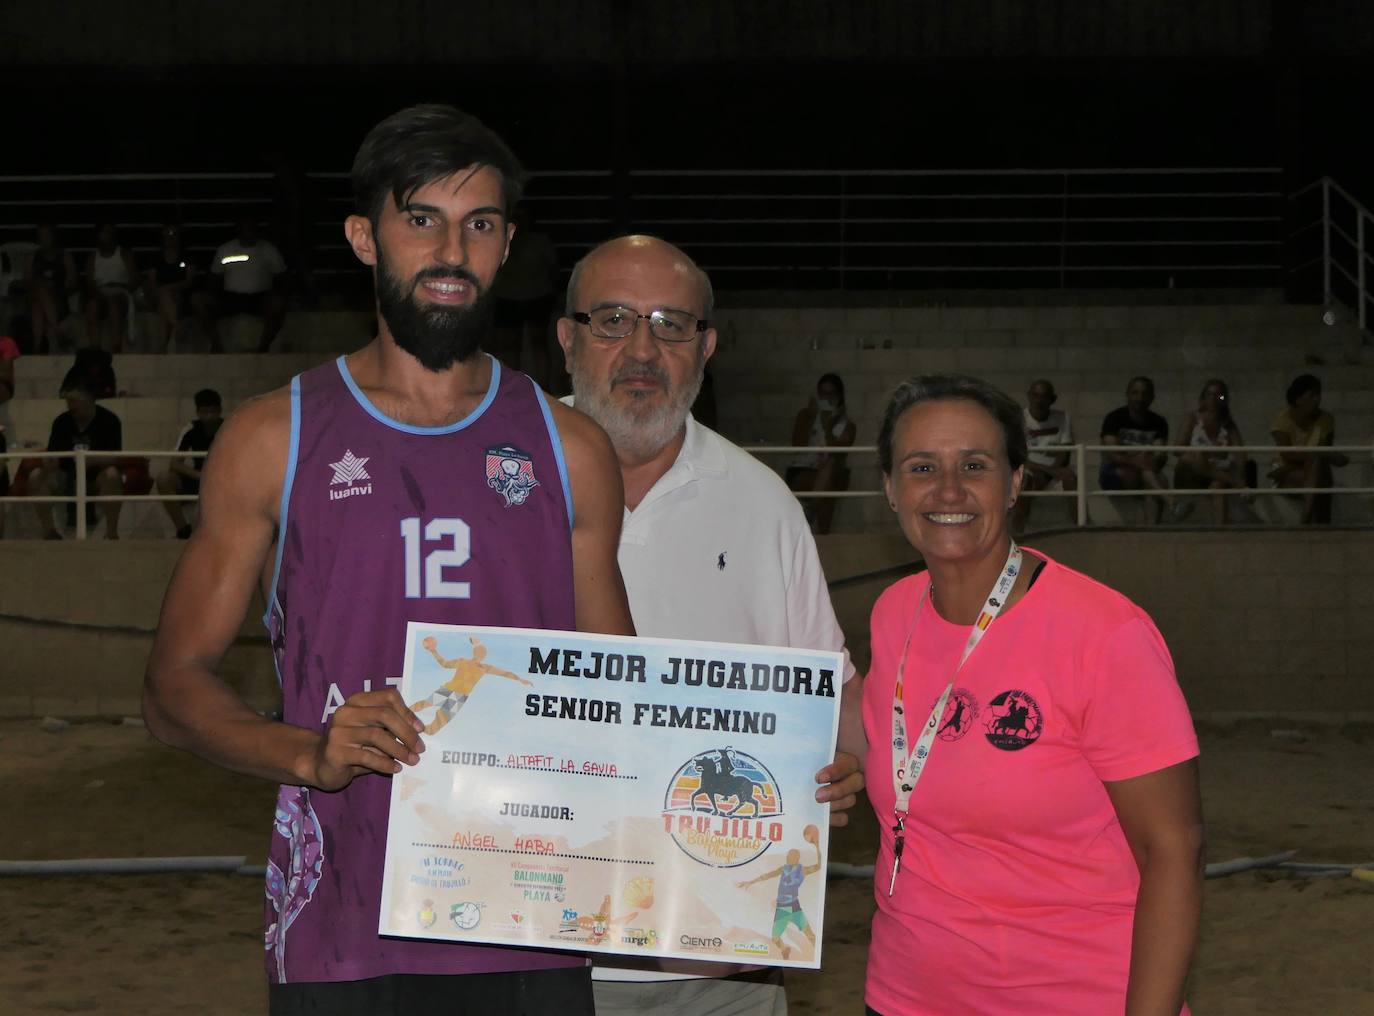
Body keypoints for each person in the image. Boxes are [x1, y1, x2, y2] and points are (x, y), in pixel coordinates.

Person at [142, 103, 633, 1016]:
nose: (453, 250)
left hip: (527, 915)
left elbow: (620, 697)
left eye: (479, 224)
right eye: (423, 220)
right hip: (339, 932)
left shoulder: (569, 449)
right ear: (365, 238)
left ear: (507, 244)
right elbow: (174, 688)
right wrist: (309, 752)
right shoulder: (272, 437)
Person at [557, 234, 864, 1016]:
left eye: (670, 324)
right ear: (566, 337)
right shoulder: (491, 479)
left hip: (721, 973)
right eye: (612, 319)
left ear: (707, 348)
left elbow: (833, 702)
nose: (641, 348)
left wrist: (840, 767)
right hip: (526, 960)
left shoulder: (764, 504)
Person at [862, 373, 1203, 1016]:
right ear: (889, 488)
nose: (948, 490)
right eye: (921, 466)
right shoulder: (891, 613)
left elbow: (1174, 850)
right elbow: (910, 746)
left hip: (1074, 997)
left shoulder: (1105, 633)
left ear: (1016, 481)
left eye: (975, 465)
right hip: (905, 993)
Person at [23, 378, 125, 540]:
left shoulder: (109, 420)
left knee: (112, 475)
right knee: (36, 476)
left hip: (97, 476)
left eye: (73, 401)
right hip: (66, 475)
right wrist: (49, 462)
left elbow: (115, 458)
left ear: (89, 398)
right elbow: (53, 455)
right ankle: (49, 531)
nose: (70, 405)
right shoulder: (61, 422)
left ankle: (111, 532)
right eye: (67, 401)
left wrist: (91, 461)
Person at [1269, 373, 1348, 524]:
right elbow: (1288, 456)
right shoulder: (1281, 420)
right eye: (1312, 395)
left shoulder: (1326, 419)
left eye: (1319, 394)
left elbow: (1324, 448)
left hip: (1313, 467)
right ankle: (1315, 522)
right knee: (1318, 467)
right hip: (1287, 471)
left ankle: (1309, 520)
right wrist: (1317, 454)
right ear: (1298, 399)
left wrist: (1328, 456)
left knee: (1320, 468)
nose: (1317, 399)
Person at [785, 373, 857, 535]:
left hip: (832, 472)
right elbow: (798, 445)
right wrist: (811, 417)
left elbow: (839, 454)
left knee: (830, 471)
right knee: (827, 493)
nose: (827, 398)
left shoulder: (847, 425)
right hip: (803, 469)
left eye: (831, 394)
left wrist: (829, 427)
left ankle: (811, 512)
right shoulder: (806, 415)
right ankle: (823, 536)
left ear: (839, 397)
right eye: (823, 393)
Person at [734, 830, 823, 961]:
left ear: (796, 858)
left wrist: (817, 846)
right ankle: (785, 949)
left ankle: (818, 956)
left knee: (810, 935)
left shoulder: (802, 870)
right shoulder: (784, 868)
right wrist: (751, 882)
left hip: (793, 906)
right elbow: (768, 875)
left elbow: (818, 866)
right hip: (782, 908)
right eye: (788, 855)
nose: (788, 857)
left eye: (791, 855)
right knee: (775, 938)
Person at [1172, 378, 1250, 525]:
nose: (1214, 399)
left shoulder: (1228, 424)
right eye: (1210, 395)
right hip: (1192, 471)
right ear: (1203, 398)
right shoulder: (1192, 418)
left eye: (1219, 396)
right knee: (1198, 455)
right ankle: (1235, 483)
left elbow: (1240, 452)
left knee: (1218, 486)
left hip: (1218, 472)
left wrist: (1241, 473)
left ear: (1224, 400)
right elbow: (1177, 449)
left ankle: (1221, 527)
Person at [1099, 375, 1171, 524]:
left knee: (1157, 479)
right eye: (1135, 393)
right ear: (1127, 394)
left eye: (1145, 394)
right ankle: (1172, 501)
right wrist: (1139, 462)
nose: (1140, 398)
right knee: (1151, 478)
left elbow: (1160, 455)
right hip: (1114, 472)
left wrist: (1149, 462)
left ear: (1152, 397)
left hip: (1144, 471)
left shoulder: (1159, 422)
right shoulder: (1114, 418)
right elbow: (1113, 455)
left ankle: (1152, 532)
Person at [209, 219, 288, 353]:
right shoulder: (225, 250)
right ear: (238, 230)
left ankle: (263, 348)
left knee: (278, 304)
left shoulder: (269, 250)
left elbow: (282, 276)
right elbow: (214, 278)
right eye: (244, 228)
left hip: (260, 297)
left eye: (251, 228)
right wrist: (213, 296)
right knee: (202, 303)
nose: (248, 232)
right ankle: (217, 346)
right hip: (231, 297)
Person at [156, 388, 223, 539]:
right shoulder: (191, 429)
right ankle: (183, 530)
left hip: (223, 481)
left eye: (213, 411)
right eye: (205, 412)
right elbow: (174, 463)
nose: (209, 416)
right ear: (198, 412)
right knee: (164, 478)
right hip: (198, 478)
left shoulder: (229, 428)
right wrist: (200, 475)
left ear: (219, 411)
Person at [1012, 377, 1076, 532]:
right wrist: (1048, 472)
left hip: (1054, 469)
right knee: (1024, 482)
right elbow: (1019, 456)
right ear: (1029, 396)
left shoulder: (1062, 418)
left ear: (1052, 399)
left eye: (1044, 396)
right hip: (1030, 469)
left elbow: (1064, 451)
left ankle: (1078, 526)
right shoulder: (1019, 419)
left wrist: (1050, 473)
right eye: (1035, 395)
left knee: (1071, 478)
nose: (1039, 401)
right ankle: (1018, 533)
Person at [146, 223, 210, 351]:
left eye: (174, 233)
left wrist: (169, 288)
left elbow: (188, 280)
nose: (171, 237)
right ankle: (177, 327)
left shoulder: (187, 256)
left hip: (181, 294)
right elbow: (151, 281)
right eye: (168, 234)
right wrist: (163, 290)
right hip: (160, 294)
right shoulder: (156, 257)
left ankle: (163, 345)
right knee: (165, 298)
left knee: (166, 302)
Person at [83, 223, 142, 353]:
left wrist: (121, 288)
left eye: (109, 232)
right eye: (103, 232)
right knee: (92, 306)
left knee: (114, 304)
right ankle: (95, 349)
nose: (106, 236)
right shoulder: (93, 257)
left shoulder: (123, 254)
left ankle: (116, 347)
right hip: (100, 293)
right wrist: (100, 292)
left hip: (120, 293)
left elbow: (135, 279)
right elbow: (90, 283)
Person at [27, 224, 76, 354]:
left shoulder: (64, 256)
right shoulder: (34, 257)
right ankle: (57, 333)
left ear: (54, 237)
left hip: (58, 299)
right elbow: (27, 281)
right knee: (39, 293)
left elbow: (72, 280)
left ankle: (37, 346)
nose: (43, 239)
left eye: (46, 236)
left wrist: (57, 287)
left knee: (39, 300)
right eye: (41, 236)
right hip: (38, 298)